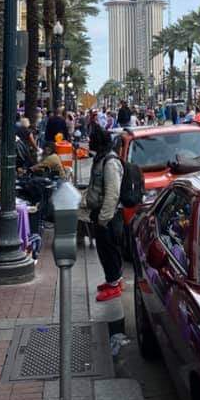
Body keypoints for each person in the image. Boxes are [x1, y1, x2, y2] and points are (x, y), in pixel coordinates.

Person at [83, 124, 124, 302]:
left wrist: (103, 219)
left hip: (107, 216)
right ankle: (113, 280)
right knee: (105, 250)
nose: (89, 142)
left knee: (109, 250)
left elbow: (112, 193)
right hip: (100, 213)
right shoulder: (101, 159)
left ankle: (114, 284)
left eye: (91, 140)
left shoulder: (110, 162)